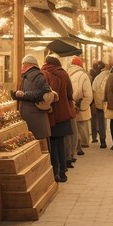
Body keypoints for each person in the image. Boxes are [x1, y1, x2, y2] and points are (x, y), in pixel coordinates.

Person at [41, 55, 74, 183]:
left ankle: (55, 172)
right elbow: (70, 93)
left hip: (51, 112)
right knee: (60, 142)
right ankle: (62, 171)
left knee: (52, 143)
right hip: (63, 111)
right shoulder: (64, 74)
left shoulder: (44, 73)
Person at [13, 55, 52, 147]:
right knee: (38, 141)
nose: (22, 67)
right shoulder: (30, 75)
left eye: (23, 65)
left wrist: (24, 95)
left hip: (34, 113)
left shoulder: (37, 75)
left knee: (37, 143)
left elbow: (44, 92)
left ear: (27, 65)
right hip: (34, 113)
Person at [68, 57, 93, 156]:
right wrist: (83, 106)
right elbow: (88, 94)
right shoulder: (83, 75)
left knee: (74, 127)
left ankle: (75, 145)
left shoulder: (67, 73)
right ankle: (81, 145)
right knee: (82, 126)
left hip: (70, 104)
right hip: (80, 104)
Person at [91, 60, 110, 148]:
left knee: (98, 120)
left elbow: (93, 88)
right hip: (106, 102)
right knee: (104, 121)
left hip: (97, 102)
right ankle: (105, 140)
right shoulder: (109, 76)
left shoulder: (97, 77)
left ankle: (101, 140)